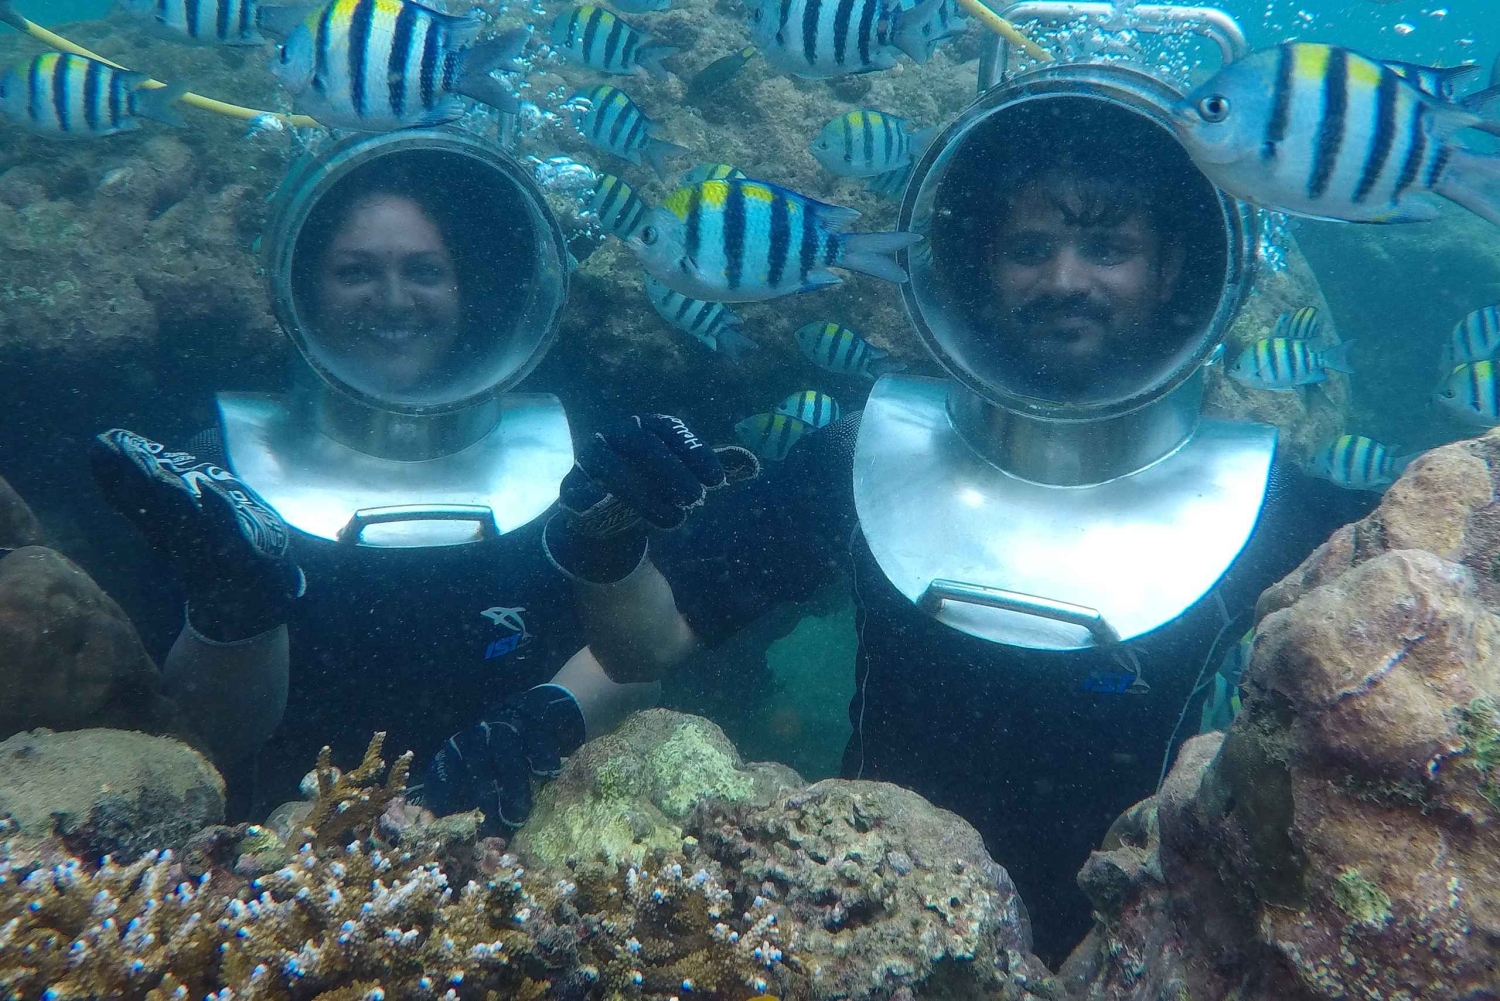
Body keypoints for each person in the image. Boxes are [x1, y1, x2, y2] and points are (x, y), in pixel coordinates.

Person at [557, 85, 1379, 961]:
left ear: (1176, 268)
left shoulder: (1279, 508)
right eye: (1029, 248)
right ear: (979, 263)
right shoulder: (862, 452)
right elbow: (644, 645)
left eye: (1108, 247)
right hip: (869, 943)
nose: (1065, 279)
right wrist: (604, 526)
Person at [90, 130, 749, 826]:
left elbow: (639, 658)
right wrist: (236, 601)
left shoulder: (579, 460)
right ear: (298, 287)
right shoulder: (208, 472)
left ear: (466, 289)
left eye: (425, 271)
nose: (394, 299)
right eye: (355, 272)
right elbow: (189, 744)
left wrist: (547, 716)